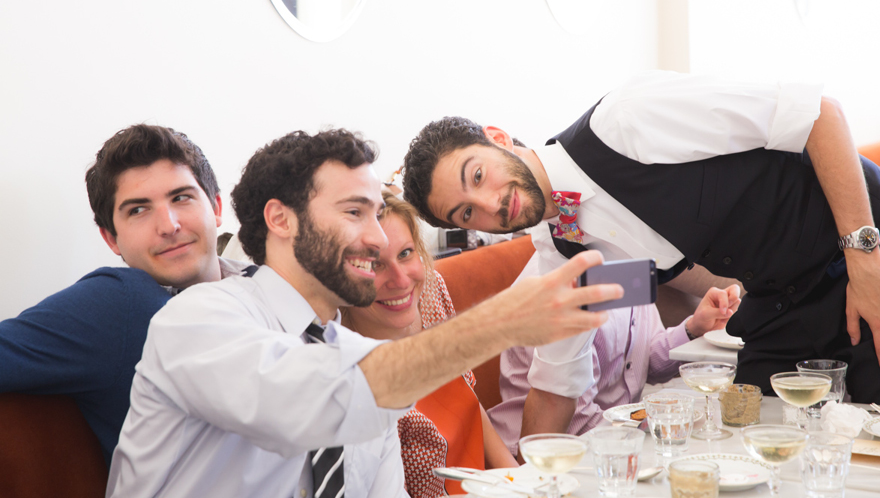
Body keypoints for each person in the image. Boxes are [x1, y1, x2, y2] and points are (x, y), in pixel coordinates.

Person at [106, 129, 620, 498]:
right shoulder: (198, 321)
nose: (376, 238)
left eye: (377, 213)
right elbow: (320, 397)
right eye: (354, 212)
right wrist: (501, 323)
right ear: (280, 219)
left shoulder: (352, 354)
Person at [401, 69, 880, 409]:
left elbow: (818, 114)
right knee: (743, 439)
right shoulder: (566, 249)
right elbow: (557, 383)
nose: (489, 205)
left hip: (868, 252)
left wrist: (867, 264)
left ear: (498, 138)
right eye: (466, 213)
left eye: (478, 175)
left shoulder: (625, 121)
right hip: (783, 304)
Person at [0, 124, 250, 468]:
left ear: (216, 206)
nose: (169, 225)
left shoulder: (269, 285)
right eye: (138, 210)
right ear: (111, 239)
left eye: (181, 197)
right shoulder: (124, 305)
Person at [341, 190, 517, 496]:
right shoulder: (350, 376)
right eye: (375, 265)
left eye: (406, 253)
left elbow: (468, 399)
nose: (401, 280)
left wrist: (520, 481)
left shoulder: (431, 295)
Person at [487, 252, 740, 454]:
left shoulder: (623, 261)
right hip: (547, 456)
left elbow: (644, 362)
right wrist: (663, 421)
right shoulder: (560, 287)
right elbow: (578, 423)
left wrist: (693, 328)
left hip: (612, 439)